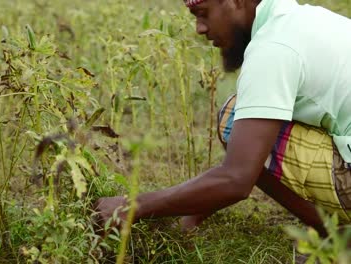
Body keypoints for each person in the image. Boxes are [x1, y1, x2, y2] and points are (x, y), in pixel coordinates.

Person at [95, 0, 351, 238]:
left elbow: (237, 179)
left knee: (233, 118)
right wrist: (192, 213)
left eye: (203, 14)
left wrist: (132, 206)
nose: (199, 29)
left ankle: (338, 239)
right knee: (255, 121)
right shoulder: (310, 19)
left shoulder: (273, 48)